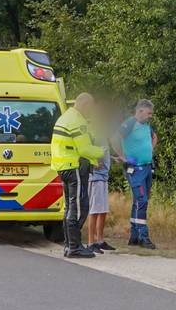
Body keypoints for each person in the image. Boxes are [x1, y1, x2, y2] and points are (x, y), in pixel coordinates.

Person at [50, 93, 105, 258]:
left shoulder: (66, 116)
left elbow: (75, 146)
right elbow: (84, 149)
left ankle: (69, 245)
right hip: (74, 167)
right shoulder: (78, 121)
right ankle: (75, 246)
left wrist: (93, 160)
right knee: (80, 207)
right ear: (86, 105)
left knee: (69, 207)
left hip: (63, 167)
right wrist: (100, 153)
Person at [119, 99, 158, 249]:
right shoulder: (129, 123)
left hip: (147, 167)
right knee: (141, 201)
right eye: (149, 113)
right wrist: (122, 156)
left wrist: (149, 150)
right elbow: (115, 137)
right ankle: (143, 236)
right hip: (135, 169)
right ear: (140, 111)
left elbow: (155, 138)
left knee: (140, 201)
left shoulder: (147, 126)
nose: (150, 116)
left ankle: (134, 236)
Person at [86, 105, 118, 254]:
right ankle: (91, 242)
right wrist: (94, 162)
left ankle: (100, 240)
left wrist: (112, 158)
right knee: (94, 210)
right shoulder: (91, 131)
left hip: (103, 177)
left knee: (102, 210)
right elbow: (86, 150)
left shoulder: (101, 132)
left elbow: (102, 151)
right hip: (96, 177)